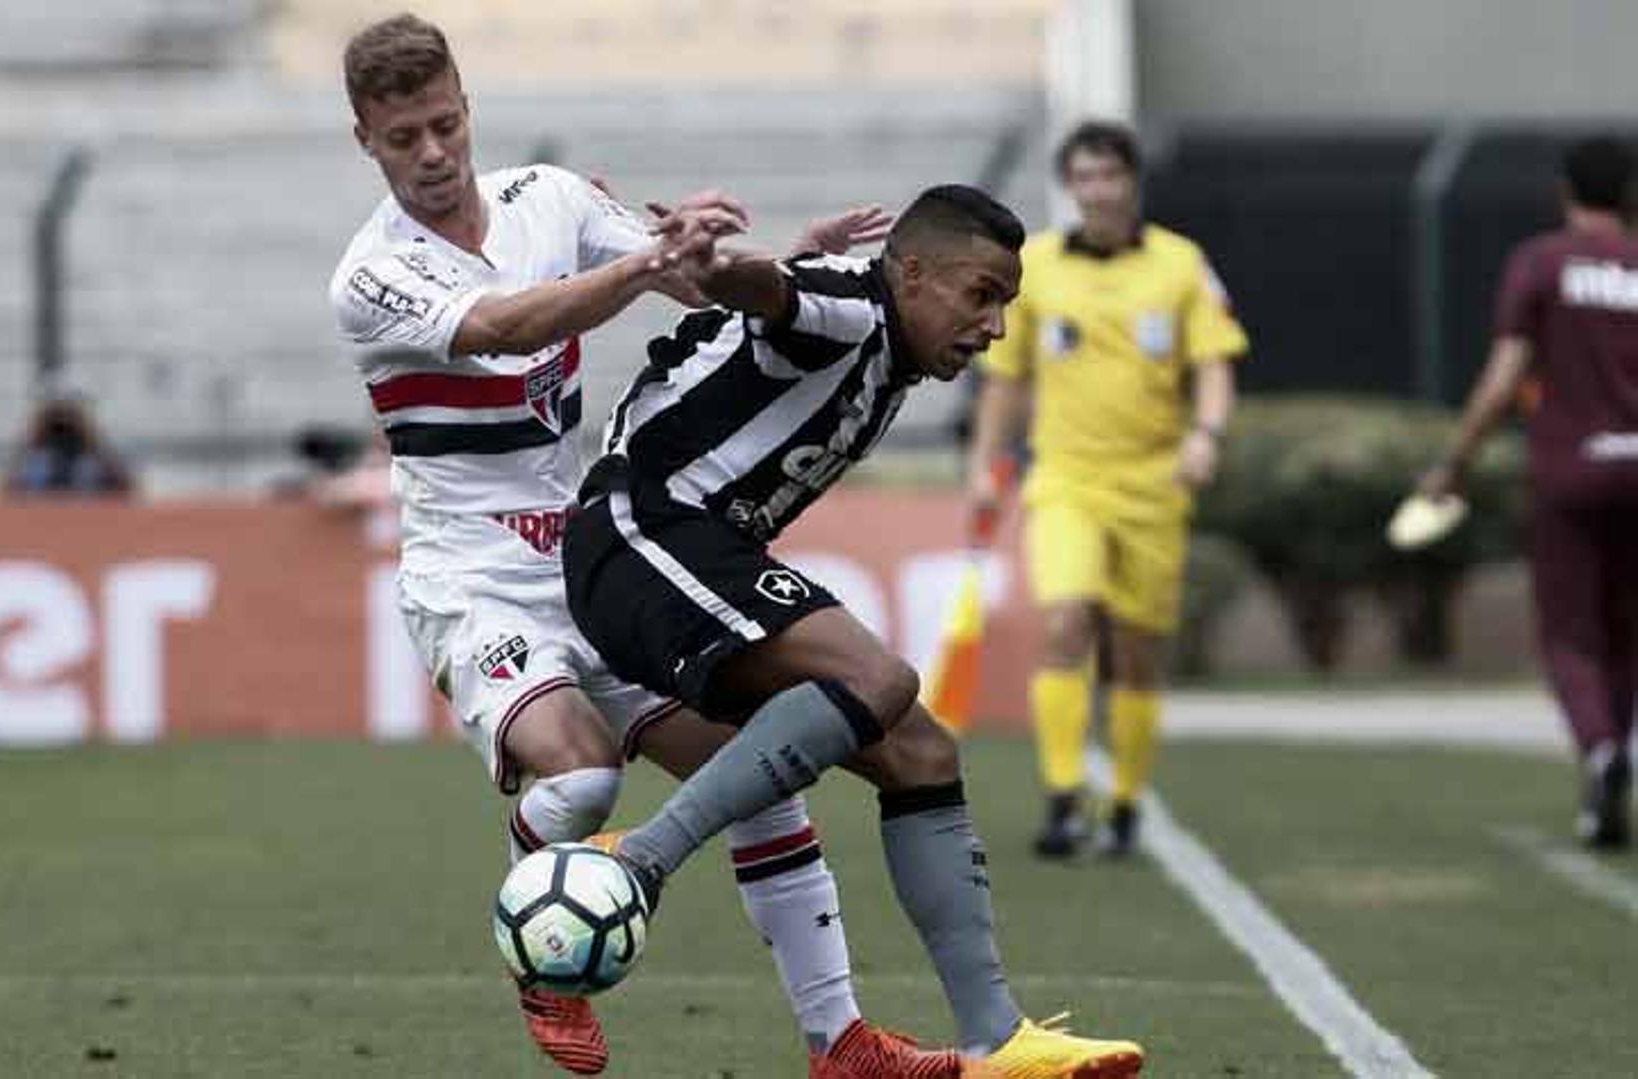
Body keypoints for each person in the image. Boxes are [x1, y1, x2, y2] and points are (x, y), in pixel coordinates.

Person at [329, 15, 958, 1077]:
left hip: (580, 558)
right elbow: (508, 327)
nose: (431, 153)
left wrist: (783, 266)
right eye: (403, 138)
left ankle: (839, 1039)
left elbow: (686, 282)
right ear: (366, 141)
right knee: (580, 778)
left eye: (442, 125)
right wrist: (647, 267)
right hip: (473, 581)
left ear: (467, 108)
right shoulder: (371, 276)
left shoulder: (552, 198)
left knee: (761, 776)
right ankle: (540, 948)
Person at [564, 184, 1146, 1078]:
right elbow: (775, 296)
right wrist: (718, 266)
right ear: (911, 272)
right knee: (881, 679)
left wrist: (770, 267)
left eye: (1006, 304)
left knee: (919, 751)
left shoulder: (881, 339)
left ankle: (997, 1037)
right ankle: (640, 859)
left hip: (689, 549)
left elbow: (776, 309)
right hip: (644, 532)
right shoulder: (856, 309)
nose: (994, 326)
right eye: (980, 294)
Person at [965, 121, 1248, 859]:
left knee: (1137, 650)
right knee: (1067, 617)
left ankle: (1124, 798)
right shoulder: (1037, 266)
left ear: (1131, 181)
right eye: (1083, 178)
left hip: (1155, 484)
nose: (1097, 191)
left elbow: (1215, 364)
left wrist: (1205, 435)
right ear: (1070, 186)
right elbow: (1007, 377)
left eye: (1108, 175)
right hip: (1065, 478)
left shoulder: (1181, 265)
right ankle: (1063, 794)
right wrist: (984, 465)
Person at [1416, 135, 1638, 850]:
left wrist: (1453, 463)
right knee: (1628, 636)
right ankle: (1611, 762)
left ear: (1564, 191)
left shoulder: (1541, 263)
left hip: (1570, 473)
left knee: (1571, 636)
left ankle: (1601, 750)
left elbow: (1504, 378)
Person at [0, 392, 136, 498]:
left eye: (68, 420)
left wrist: (91, 437)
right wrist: (34, 438)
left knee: (87, 468)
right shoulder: (35, 462)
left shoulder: (93, 462)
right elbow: (4, 491)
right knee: (37, 466)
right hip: (41, 513)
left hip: (88, 512)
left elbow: (128, 489)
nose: (63, 432)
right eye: (57, 422)